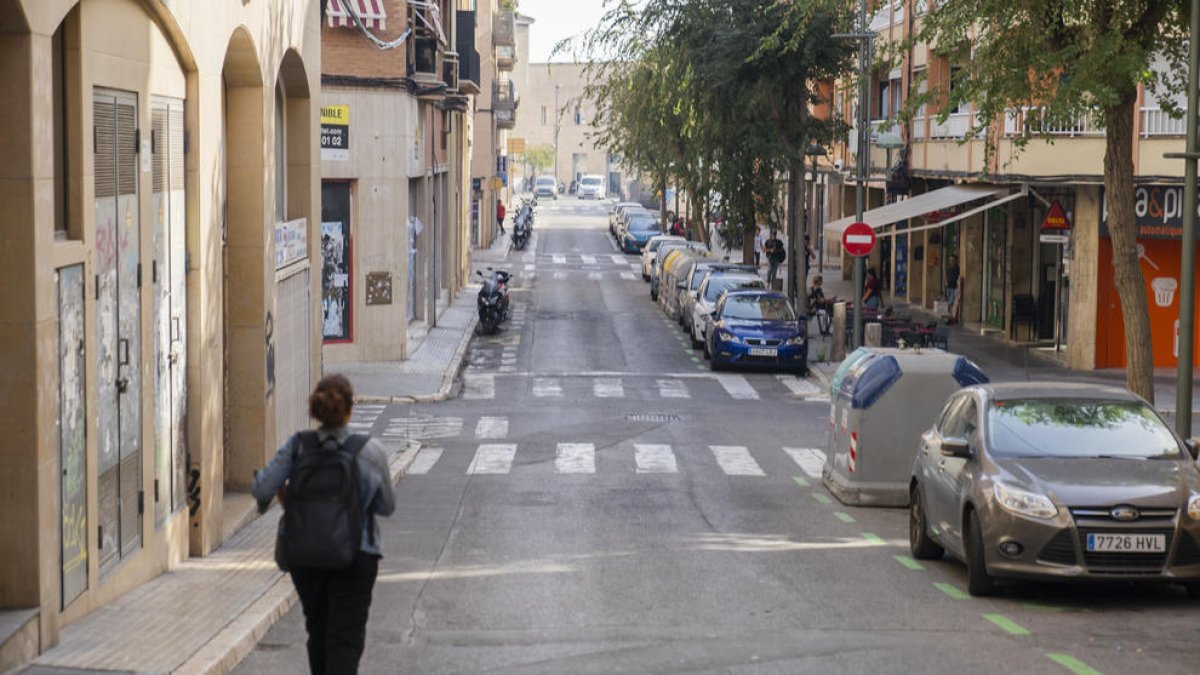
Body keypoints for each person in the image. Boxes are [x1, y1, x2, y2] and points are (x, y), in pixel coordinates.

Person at [252, 374, 396, 675]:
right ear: (350, 409)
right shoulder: (369, 451)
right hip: (357, 555)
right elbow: (386, 506)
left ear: (315, 406)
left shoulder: (298, 446)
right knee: (345, 638)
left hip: (305, 557)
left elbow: (262, 489)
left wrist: (286, 494)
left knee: (317, 631)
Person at [945, 254, 961, 323]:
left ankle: (951, 316)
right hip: (949, 287)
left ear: (955, 261)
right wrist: (946, 282)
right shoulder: (948, 269)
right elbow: (946, 276)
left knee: (951, 302)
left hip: (954, 288)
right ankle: (951, 316)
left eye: (952, 260)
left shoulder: (957, 269)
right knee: (950, 302)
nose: (951, 261)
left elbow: (959, 277)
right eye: (950, 260)